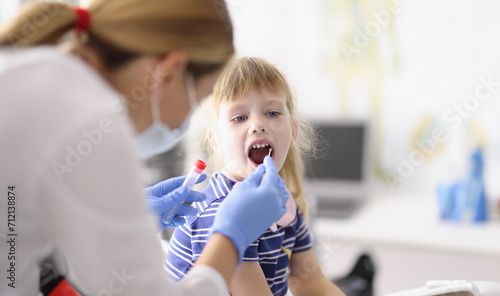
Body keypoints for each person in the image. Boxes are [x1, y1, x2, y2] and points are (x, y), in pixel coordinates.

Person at [0, 1, 289, 295]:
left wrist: (115, 227)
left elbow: (20, 237)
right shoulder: (87, 123)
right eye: (201, 97)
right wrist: (232, 237)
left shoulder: (38, 76)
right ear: (170, 71)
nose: (188, 117)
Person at [167, 57, 345, 296]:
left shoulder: (285, 205)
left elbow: (310, 283)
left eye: (272, 112)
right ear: (216, 140)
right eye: (239, 117)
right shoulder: (219, 212)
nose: (258, 125)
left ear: (293, 130)